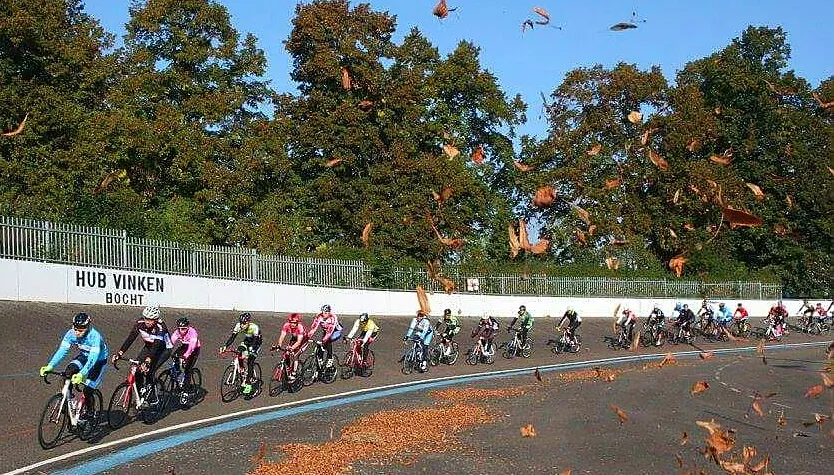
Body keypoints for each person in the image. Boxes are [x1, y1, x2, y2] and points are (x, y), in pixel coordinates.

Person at [39, 312, 108, 418]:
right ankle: (71, 400)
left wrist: (82, 374)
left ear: (87, 328)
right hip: (84, 356)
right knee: (68, 372)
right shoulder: (70, 333)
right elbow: (62, 351)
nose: (77, 333)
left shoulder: (95, 337)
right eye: (75, 329)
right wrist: (50, 366)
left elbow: (92, 359)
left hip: (98, 361)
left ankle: (90, 413)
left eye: (80, 331)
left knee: (88, 390)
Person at [112, 304, 172, 395]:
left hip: (163, 349)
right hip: (149, 346)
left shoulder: (160, 327)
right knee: (137, 369)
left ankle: (151, 396)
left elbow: (156, 345)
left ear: (156, 319)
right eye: (146, 318)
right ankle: (140, 395)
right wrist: (120, 353)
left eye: (150, 319)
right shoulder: (140, 323)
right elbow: (131, 338)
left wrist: (148, 360)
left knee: (149, 371)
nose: (147, 321)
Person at [220, 312, 262, 395]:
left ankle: (249, 383)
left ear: (248, 322)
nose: (242, 325)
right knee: (239, 351)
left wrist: (251, 351)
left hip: (256, 342)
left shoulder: (254, 327)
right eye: (241, 323)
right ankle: (242, 370)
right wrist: (225, 346)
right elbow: (232, 337)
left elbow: (255, 341)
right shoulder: (238, 326)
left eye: (244, 323)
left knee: (250, 360)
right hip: (247, 341)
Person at [271, 313, 308, 381]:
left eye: (294, 323)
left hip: (303, 340)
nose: (292, 324)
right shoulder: (286, 325)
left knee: (295, 355)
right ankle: (288, 369)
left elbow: (299, 342)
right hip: (294, 338)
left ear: (297, 322)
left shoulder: (300, 327)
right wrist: (279, 345)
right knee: (286, 354)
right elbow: (282, 336)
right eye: (291, 322)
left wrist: (292, 348)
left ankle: (294, 372)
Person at [169, 316, 201, 390]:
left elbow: (192, 346)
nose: (181, 331)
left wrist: (186, 356)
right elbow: (171, 342)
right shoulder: (177, 332)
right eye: (179, 328)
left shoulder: (193, 332)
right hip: (184, 346)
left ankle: (186, 390)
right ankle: (178, 372)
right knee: (174, 356)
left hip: (194, 348)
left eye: (183, 329)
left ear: (188, 327)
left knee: (187, 369)